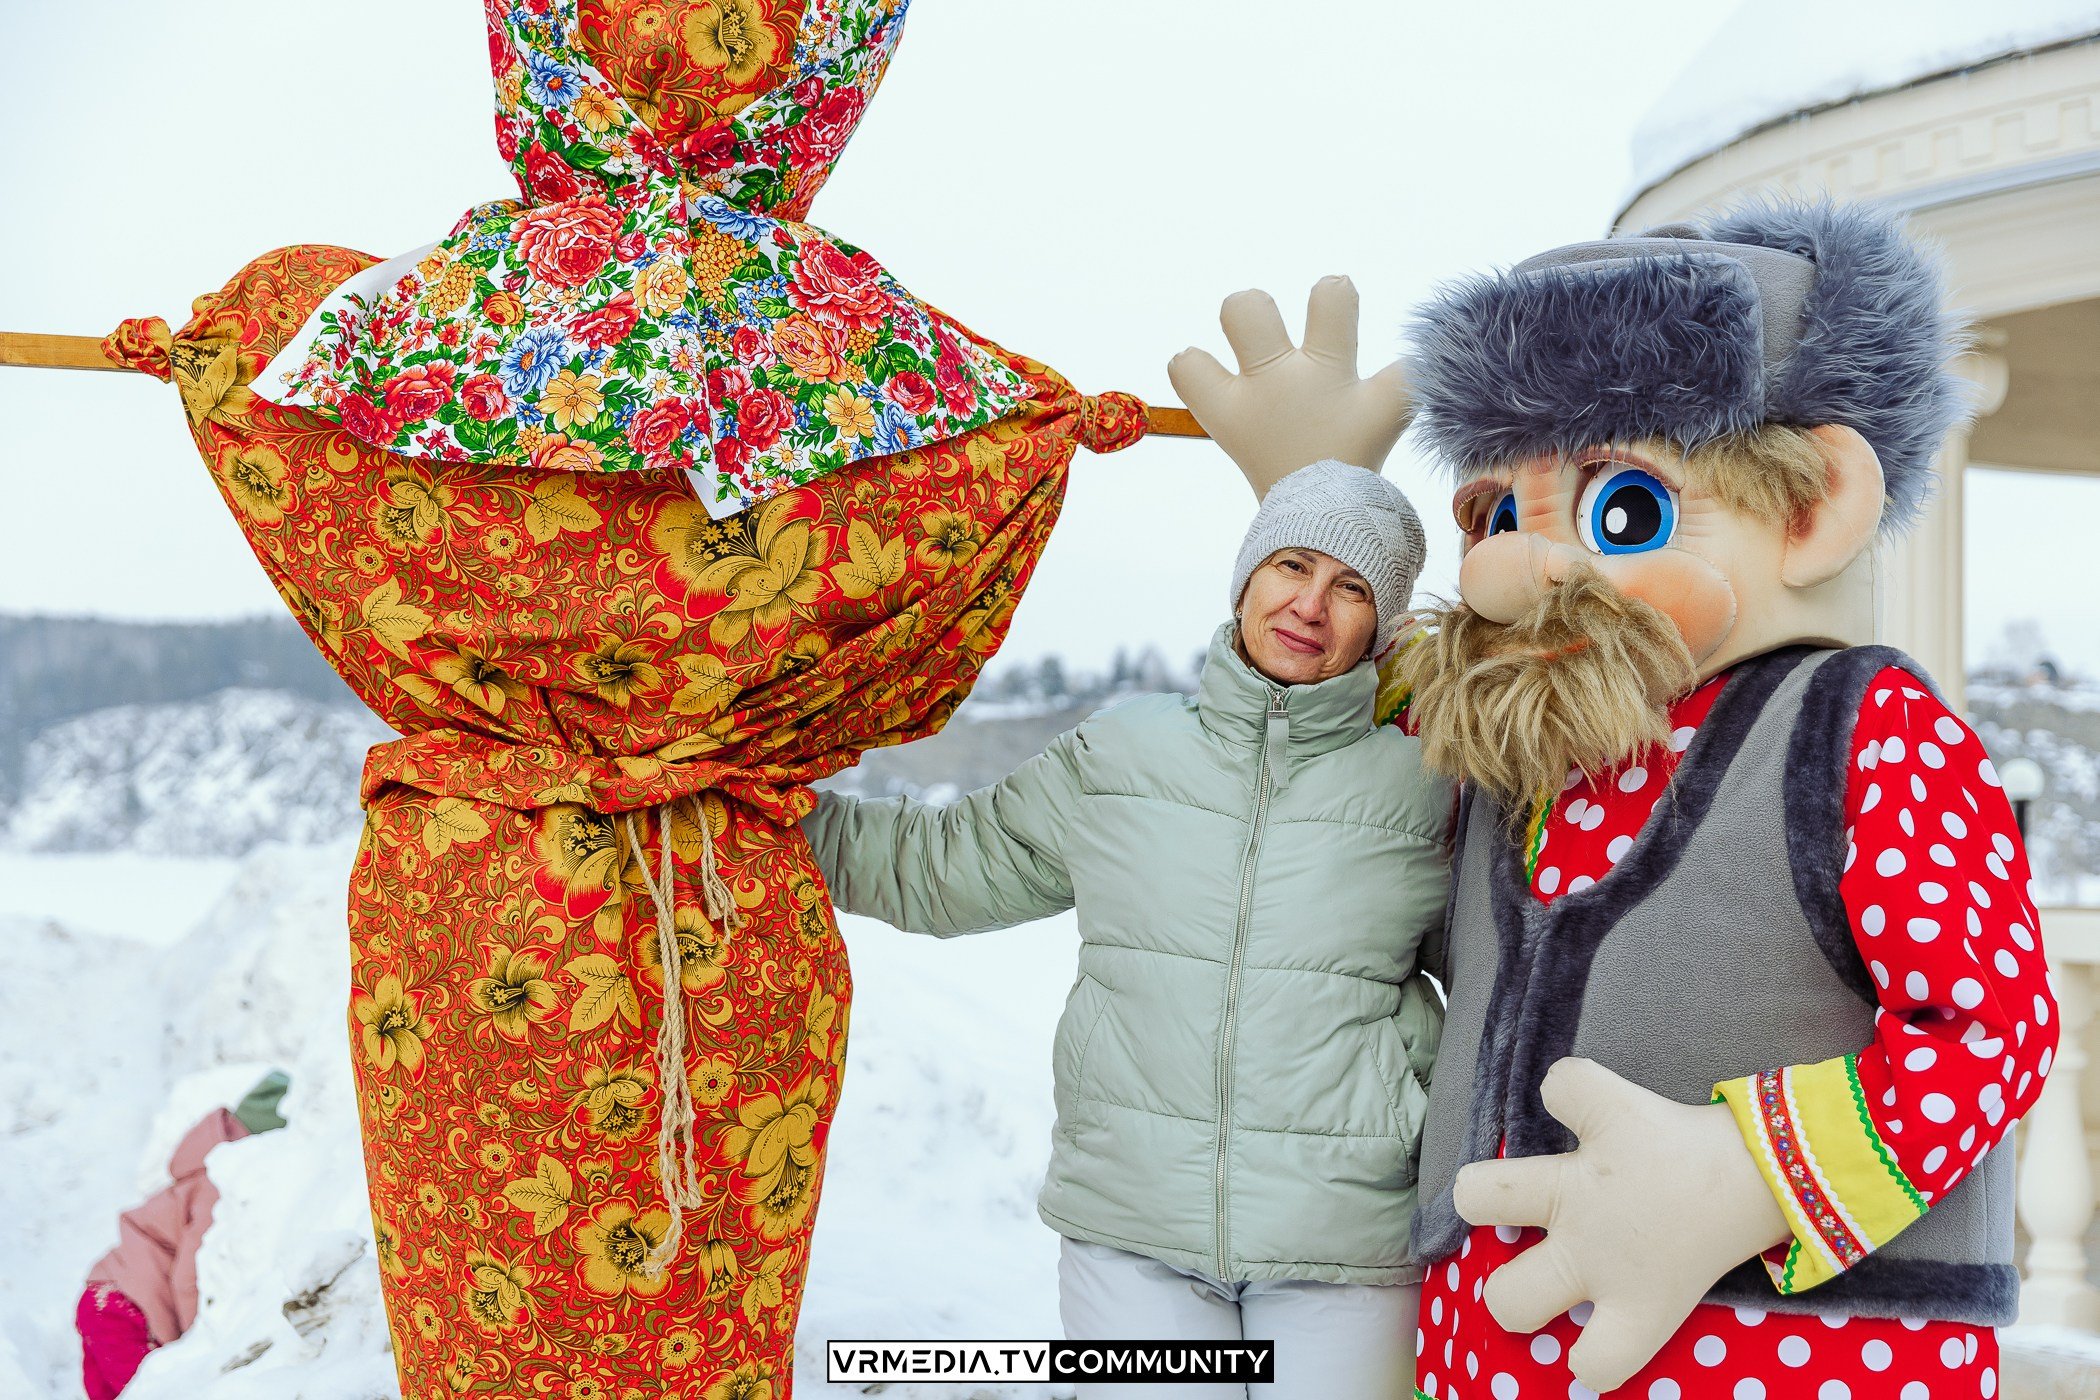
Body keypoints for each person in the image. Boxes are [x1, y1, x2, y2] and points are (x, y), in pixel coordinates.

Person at [1177, 204, 2055, 1400]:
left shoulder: (1860, 727)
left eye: (1622, 509)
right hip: (1479, 1349)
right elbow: (1341, 781)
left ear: (1812, 506)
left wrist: (1751, 1174)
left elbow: (1990, 1023)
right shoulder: (1506, 750)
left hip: (1792, 1351)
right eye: (1491, 514)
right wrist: (1310, 498)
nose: (1498, 571)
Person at [804, 460, 1453, 1400]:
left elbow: (1508, 981)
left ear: (1379, 624)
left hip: (1345, 1240)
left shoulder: (1427, 788)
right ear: (1245, 579)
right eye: (1292, 565)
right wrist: (749, 822)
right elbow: (939, 864)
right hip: (1133, 1231)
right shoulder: (1123, 753)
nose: (1311, 604)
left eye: (1350, 587)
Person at [78, 1071, 290, 1400]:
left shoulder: (200, 1170)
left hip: (104, 1297)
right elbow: (189, 1276)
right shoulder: (218, 1185)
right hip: (127, 1310)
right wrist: (196, 1351)